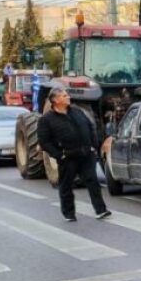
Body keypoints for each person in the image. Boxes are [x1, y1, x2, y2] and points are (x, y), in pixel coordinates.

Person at [38, 88, 111, 222]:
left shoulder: (77, 112)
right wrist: (59, 155)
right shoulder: (46, 120)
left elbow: (90, 128)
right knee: (66, 186)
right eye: (64, 96)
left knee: (92, 181)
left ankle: (101, 210)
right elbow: (44, 142)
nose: (68, 97)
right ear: (55, 100)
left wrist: (94, 147)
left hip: (86, 154)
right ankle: (69, 214)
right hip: (67, 157)